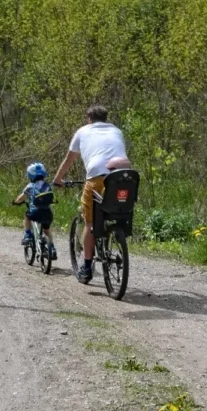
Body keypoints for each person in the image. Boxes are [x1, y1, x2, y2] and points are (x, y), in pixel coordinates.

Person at [52, 105, 130, 284]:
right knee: (117, 209)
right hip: (123, 178)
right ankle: (117, 232)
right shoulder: (117, 131)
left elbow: (69, 159)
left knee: (90, 222)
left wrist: (58, 179)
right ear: (105, 117)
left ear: (89, 118)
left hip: (97, 177)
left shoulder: (82, 131)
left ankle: (86, 267)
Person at [14, 162, 57, 260]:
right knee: (47, 231)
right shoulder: (48, 186)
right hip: (48, 214)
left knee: (27, 216)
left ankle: (28, 234)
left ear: (31, 175)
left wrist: (16, 202)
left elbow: (21, 197)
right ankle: (52, 248)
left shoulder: (30, 186)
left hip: (36, 213)